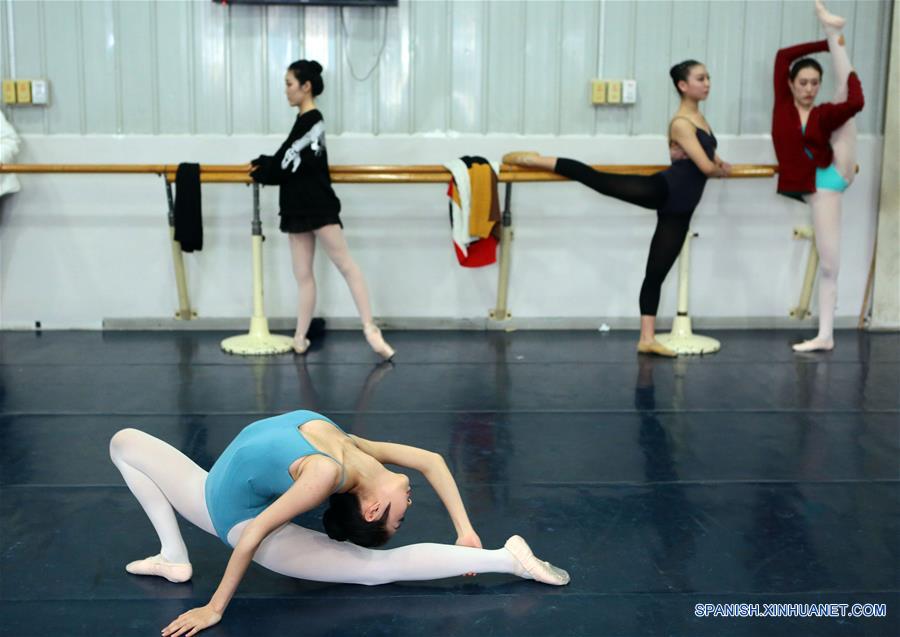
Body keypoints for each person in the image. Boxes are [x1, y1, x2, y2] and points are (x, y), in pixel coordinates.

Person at [110, 410, 569, 637]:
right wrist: (464, 529)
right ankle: (173, 556)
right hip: (216, 500)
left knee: (373, 569)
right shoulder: (342, 453)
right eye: (404, 512)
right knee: (123, 442)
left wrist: (214, 608)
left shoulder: (336, 461)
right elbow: (431, 460)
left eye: (402, 512)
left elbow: (252, 535)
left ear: (371, 510)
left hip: (227, 505)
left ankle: (508, 561)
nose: (409, 501)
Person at [504, 60, 731, 357]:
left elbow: (708, 156)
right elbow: (702, 165)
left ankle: (646, 339)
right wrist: (717, 169)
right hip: (666, 190)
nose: (708, 83)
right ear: (683, 86)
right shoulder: (681, 123)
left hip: (682, 208)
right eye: (701, 78)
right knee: (598, 180)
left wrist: (719, 162)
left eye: (708, 78)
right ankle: (535, 160)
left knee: (656, 273)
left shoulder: (700, 118)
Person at [249, 60, 394, 359]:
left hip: (316, 205)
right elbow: (284, 159)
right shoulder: (304, 121)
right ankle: (300, 338)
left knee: (346, 265)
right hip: (298, 208)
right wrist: (266, 163)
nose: (286, 91)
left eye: (289, 84)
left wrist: (265, 168)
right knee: (303, 275)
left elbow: (284, 164)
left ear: (306, 86)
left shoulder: (313, 120)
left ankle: (370, 329)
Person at [771, 0, 864, 353]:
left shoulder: (824, 114)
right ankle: (833, 32)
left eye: (814, 83)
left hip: (831, 179)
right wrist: (824, 45)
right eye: (803, 82)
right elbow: (782, 56)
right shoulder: (783, 108)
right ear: (792, 84)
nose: (809, 88)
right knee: (829, 263)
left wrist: (835, 46)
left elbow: (856, 102)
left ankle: (825, 335)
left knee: (844, 100)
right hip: (819, 181)